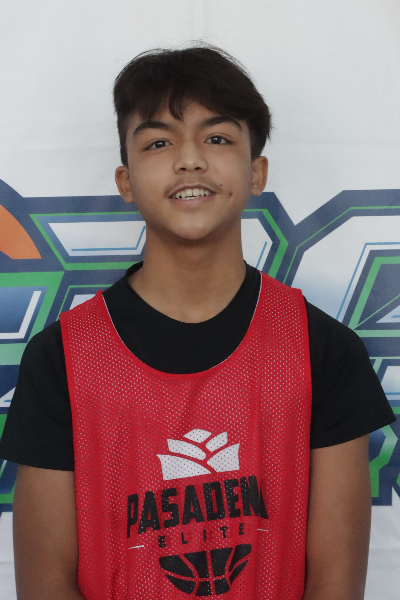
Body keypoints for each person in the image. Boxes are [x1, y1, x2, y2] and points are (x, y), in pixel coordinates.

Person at [0, 45, 395, 600]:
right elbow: (47, 585)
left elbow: (334, 584)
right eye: (159, 142)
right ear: (125, 181)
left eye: (217, 138)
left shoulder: (323, 350)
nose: (189, 160)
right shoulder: (61, 359)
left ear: (256, 172)